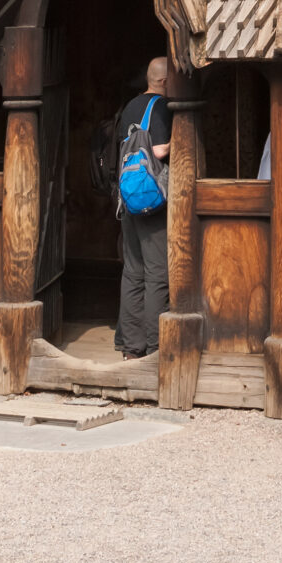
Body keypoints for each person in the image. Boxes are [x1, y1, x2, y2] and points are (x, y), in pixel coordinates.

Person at [114, 57, 171, 358]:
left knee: (133, 272)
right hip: (152, 201)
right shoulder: (160, 106)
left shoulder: (130, 106)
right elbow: (159, 149)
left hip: (128, 198)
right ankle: (155, 347)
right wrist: (182, 138)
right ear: (164, 82)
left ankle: (131, 348)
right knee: (157, 273)